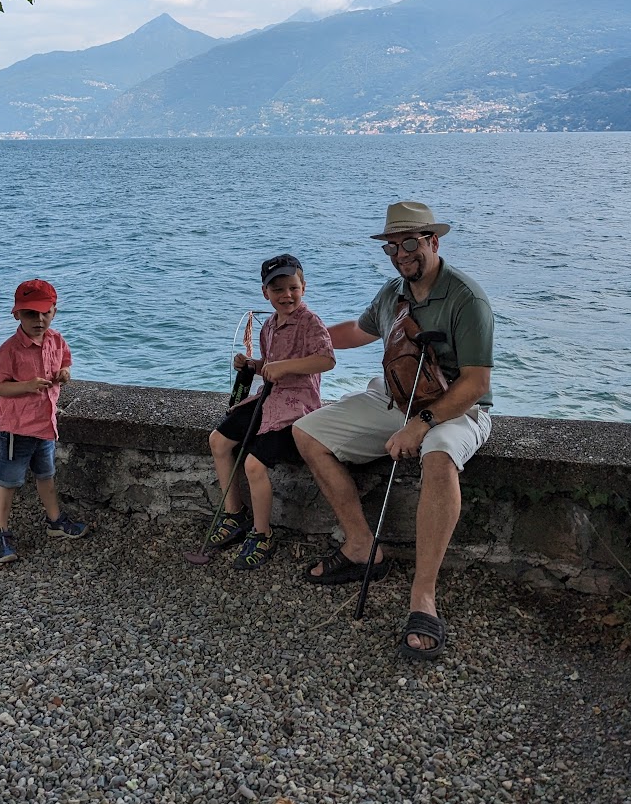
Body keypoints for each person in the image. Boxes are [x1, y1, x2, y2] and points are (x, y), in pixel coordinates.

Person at [292, 202, 493, 661]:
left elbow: (477, 383)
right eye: (392, 246)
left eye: (410, 243)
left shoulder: (466, 298)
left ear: (432, 242)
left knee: (438, 458)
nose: (401, 253)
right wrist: (298, 333)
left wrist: (423, 425)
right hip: (399, 399)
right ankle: (363, 546)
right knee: (308, 433)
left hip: (458, 409)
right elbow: (357, 334)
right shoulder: (393, 295)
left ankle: (423, 597)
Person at [206, 253, 335, 570]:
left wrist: (282, 367)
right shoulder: (268, 326)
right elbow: (271, 369)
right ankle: (235, 515)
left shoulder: (310, 323)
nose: (286, 295)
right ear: (266, 293)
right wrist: (253, 365)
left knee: (253, 464)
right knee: (218, 441)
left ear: (303, 286)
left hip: (296, 410)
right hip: (268, 399)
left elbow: (326, 360)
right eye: (277, 290)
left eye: (292, 287)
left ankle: (261, 533)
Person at [0, 278, 88, 565]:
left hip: (46, 426)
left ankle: (55, 520)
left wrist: (65, 374)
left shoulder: (56, 340)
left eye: (45, 312)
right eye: (31, 313)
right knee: (8, 482)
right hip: (16, 428)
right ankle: (0, 531)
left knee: (46, 475)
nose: (39, 319)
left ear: (54, 311)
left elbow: (65, 362)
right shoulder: (9, 350)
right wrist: (26, 385)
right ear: (17, 314)